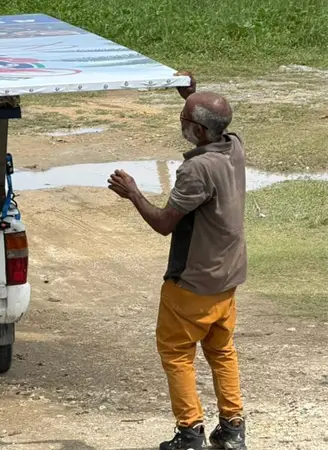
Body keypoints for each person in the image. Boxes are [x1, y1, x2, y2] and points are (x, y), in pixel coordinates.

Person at [107, 73, 247, 450]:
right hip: (227, 277)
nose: (180, 122)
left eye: (184, 118)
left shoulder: (196, 170)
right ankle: (233, 430)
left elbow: (164, 224)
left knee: (177, 354)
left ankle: (190, 433)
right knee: (221, 351)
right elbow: (215, 122)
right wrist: (191, 95)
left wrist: (133, 193)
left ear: (200, 131)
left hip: (193, 283)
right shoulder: (233, 146)